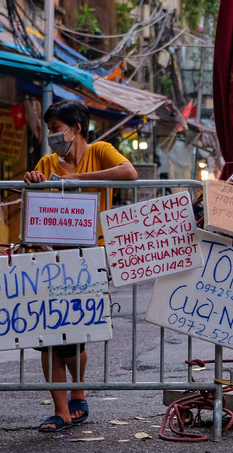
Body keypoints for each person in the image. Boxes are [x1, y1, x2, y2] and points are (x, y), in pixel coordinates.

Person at [24, 99, 137, 432]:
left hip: (90, 259)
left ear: (75, 128)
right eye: (49, 130)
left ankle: (79, 388)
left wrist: (77, 178)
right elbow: (34, 200)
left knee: (74, 338)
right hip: (49, 258)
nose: (51, 136)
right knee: (46, 336)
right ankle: (60, 410)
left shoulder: (100, 150)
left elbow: (129, 172)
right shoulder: (47, 161)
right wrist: (33, 179)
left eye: (56, 129)